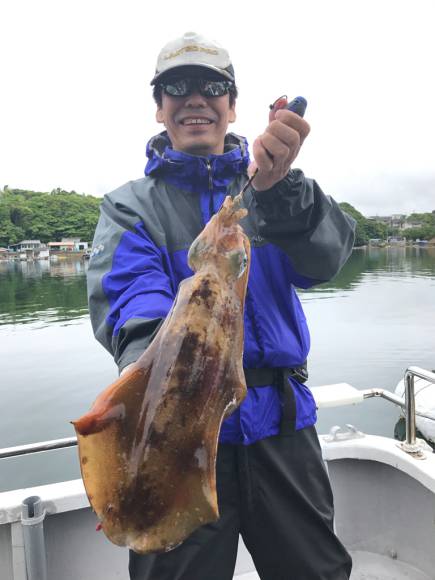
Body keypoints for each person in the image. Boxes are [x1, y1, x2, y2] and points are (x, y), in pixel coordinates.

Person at [87, 31, 355, 580]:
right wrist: (153, 386)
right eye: (176, 87)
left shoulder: (274, 191)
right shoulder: (128, 208)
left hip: (280, 426)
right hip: (176, 433)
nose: (195, 99)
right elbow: (130, 305)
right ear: (159, 108)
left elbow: (326, 258)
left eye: (212, 87)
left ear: (233, 106)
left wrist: (281, 189)